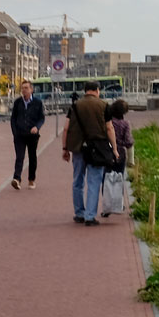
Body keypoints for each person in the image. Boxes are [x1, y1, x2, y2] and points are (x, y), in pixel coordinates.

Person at [62, 81, 112, 226]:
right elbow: (109, 129)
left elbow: (66, 129)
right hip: (97, 149)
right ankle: (90, 216)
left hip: (78, 149)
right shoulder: (103, 106)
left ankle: (79, 213)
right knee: (94, 181)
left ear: (85, 91)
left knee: (77, 180)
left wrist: (65, 149)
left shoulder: (75, 106)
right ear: (97, 90)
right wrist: (114, 148)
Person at [9, 79, 45, 190]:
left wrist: (37, 127)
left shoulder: (38, 103)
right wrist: (15, 132)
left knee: (32, 157)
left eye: (26, 88)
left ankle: (31, 180)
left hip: (32, 135)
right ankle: (17, 179)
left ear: (31, 89)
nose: (24, 90)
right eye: (22, 88)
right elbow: (13, 118)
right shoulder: (18, 102)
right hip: (19, 135)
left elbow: (42, 118)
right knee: (19, 157)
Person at [104, 98, 136, 214]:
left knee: (106, 179)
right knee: (119, 178)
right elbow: (128, 141)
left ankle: (107, 204)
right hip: (120, 155)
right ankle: (118, 204)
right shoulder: (125, 124)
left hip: (107, 153)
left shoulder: (107, 122)